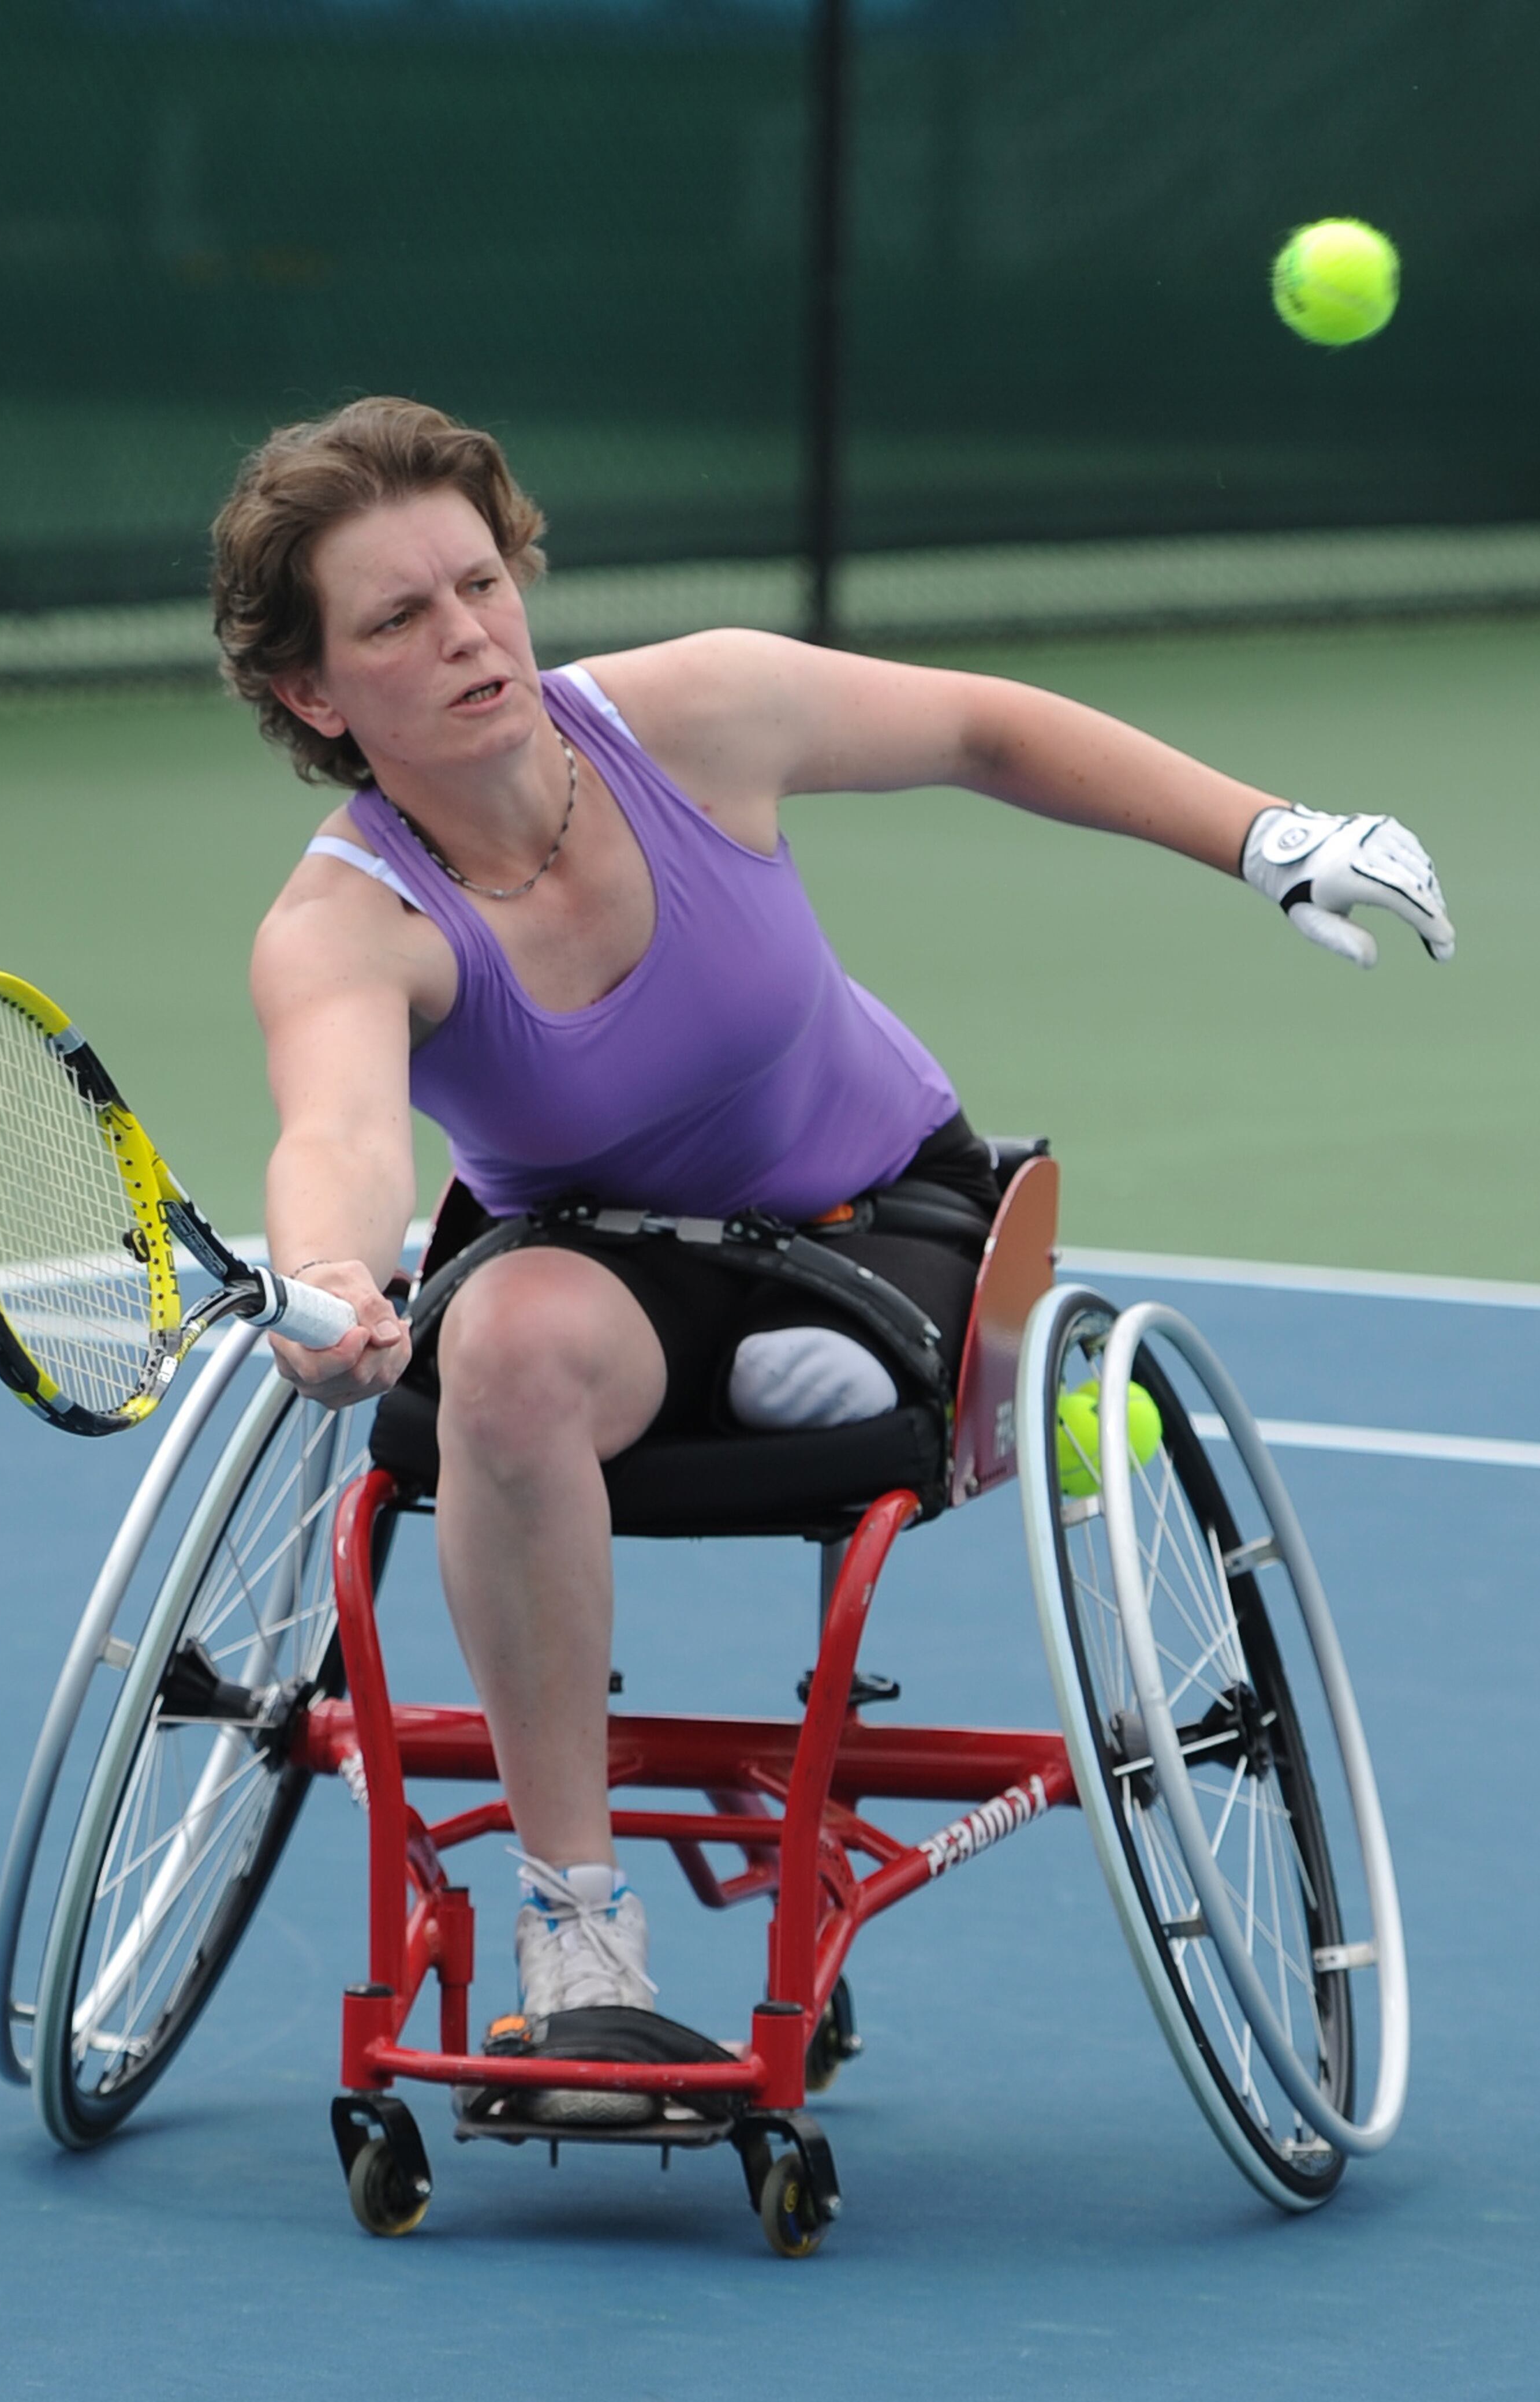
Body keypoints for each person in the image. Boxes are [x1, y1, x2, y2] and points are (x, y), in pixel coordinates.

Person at [213, 396, 1453, 2112]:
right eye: (397, 619)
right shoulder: (347, 920)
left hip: (880, 1218)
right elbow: (338, 1136)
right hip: (595, 1264)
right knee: (491, 1348)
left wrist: (1263, 832)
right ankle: (580, 1940)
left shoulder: (692, 713)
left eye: (479, 582)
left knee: (814, 1372)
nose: (468, 635)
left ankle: (813, 1367)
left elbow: (984, 730)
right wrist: (336, 1282)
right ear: (313, 692)